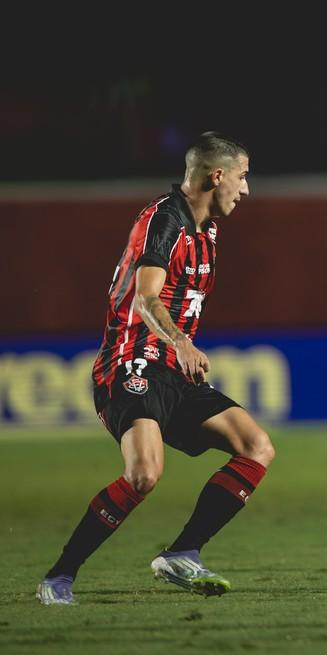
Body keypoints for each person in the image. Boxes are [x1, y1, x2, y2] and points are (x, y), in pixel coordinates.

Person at [37, 133, 275, 605]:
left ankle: (184, 552)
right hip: (132, 363)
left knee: (256, 446)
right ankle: (59, 576)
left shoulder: (206, 230)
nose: (246, 190)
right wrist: (181, 340)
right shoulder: (163, 220)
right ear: (217, 175)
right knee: (144, 474)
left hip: (174, 369)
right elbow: (146, 298)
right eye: (243, 177)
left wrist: (179, 349)